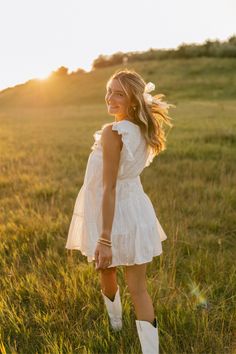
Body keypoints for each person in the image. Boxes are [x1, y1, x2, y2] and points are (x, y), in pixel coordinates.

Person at [66, 69, 174, 354]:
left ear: (133, 101)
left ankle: (116, 328)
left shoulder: (113, 132)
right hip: (137, 209)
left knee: (107, 268)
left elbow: (109, 187)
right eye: (109, 90)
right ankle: (144, 346)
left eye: (118, 94)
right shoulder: (141, 129)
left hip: (113, 211)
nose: (109, 98)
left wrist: (104, 238)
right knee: (138, 288)